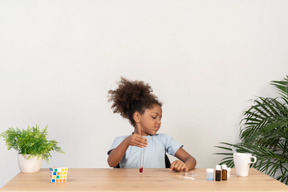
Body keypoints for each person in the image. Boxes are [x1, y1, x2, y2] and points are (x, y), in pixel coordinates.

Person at [107, 77, 196, 172]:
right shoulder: (121, 140)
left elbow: (191, 159)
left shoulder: (163, 139)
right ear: (137, 117)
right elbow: (111, 162)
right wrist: (126, 142)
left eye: (160, 118)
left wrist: (184, 165)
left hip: (157, 185)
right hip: (130, 186)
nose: (159, 122)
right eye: (154, 117)